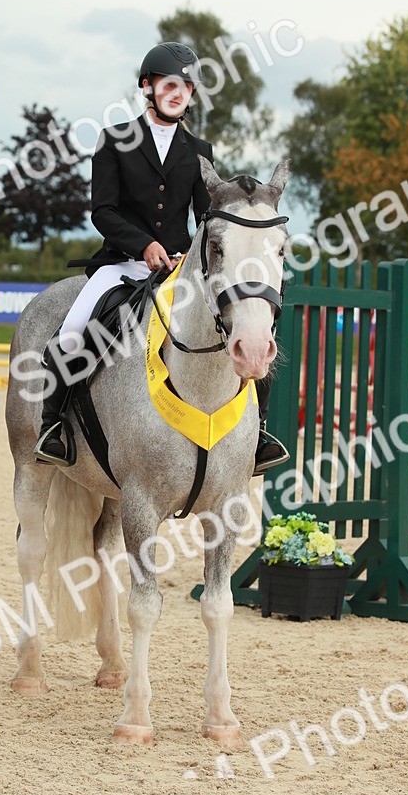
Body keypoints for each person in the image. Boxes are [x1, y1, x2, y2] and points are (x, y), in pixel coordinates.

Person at [33, 41, 287, 476]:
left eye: (185, 86)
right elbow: (103, 211)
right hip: (120, 265)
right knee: (73, 331)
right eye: (169, 84)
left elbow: (204, 218)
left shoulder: (198, 150)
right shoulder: (114, 141)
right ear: (147, 87)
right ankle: (52, 426)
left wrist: (192, 254)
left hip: (178, 270)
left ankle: (258, 433)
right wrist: (143, 245)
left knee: (241, 326)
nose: (177, 92)